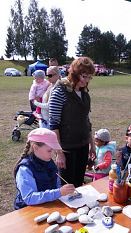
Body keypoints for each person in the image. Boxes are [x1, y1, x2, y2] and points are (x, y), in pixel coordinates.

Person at [49, 56, 96, 187]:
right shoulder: (59, 92)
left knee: (79, 184)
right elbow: (54, 125)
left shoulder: (85, 93)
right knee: (67, 187)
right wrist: (59, 153)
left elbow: (86, 121)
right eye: (84, 76)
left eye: (89, 77)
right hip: (67, 149)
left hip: (83, 146)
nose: (86, 81)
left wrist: (91, 145)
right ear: (74, 73)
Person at [14, 128, 75, 210]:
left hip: (48, 206)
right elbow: (29, 198)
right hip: (28, 210)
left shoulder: (48, 161)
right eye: (49, 151)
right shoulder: (25, 169)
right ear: (35, 147)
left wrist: (64, 191)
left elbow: (56, 185)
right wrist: (58, 192)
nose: (53, 154)